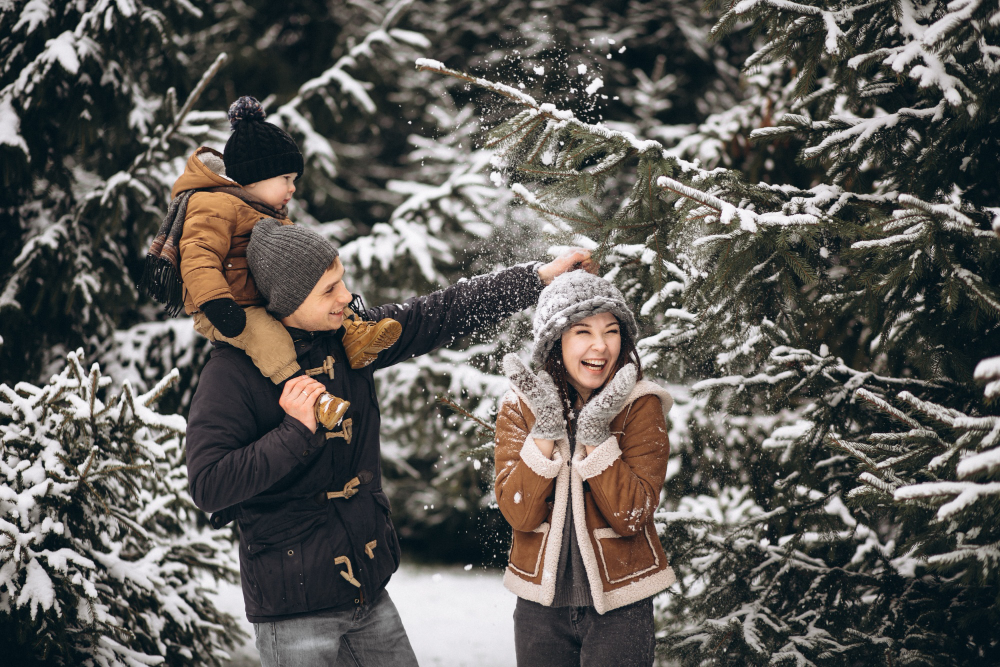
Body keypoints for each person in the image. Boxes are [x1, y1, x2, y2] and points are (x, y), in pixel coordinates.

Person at [184, 216, 595, 666]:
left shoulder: (350, 340)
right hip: (293, 609)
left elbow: (438, 312)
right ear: (287, 302)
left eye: (341, 281)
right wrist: (294, 432)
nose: (345, 296)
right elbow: (208, 485)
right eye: (328, 290)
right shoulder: (232, 373)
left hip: (368, 592)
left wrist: (537, 278)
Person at [142, 95, 399, 430]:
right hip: (228, 308)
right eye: (286, 179)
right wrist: (217, 302)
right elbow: (198, 257)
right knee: (270, 338)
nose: (292, 188)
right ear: (256, 176)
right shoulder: (215, 205)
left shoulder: (265, 212)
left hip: (261, 297)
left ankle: (355, 334)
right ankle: (312, 398)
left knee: (321, 289)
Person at [494, 270, 675, 667]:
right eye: (582, 332)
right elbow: (518, 512)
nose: (600, 346)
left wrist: (595, 434)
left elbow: (633, 515)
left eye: (611, 331)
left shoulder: (641, 404)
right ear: (555, 342)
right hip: (540, 607)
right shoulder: (520, 407)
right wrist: (543, 429)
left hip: (621, 605)